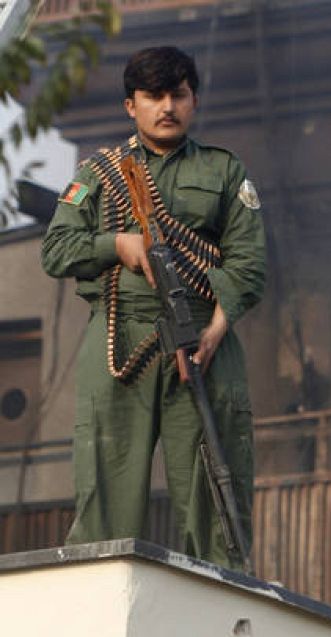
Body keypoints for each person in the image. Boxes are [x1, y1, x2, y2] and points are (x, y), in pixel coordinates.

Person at [41, 46, 265, 568]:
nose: (167, 107)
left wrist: (215, 330)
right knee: (108, 483)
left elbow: (249, 264)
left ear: (194, 100)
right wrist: (117, 244)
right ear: (131, 105)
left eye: (178, 95)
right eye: (154, 96)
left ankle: (218, 595)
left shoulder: (223, 170)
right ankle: (101, 589)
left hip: (202, 341)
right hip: (123, 339)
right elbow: (56, 250)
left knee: (215, 487)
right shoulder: (99, 174)